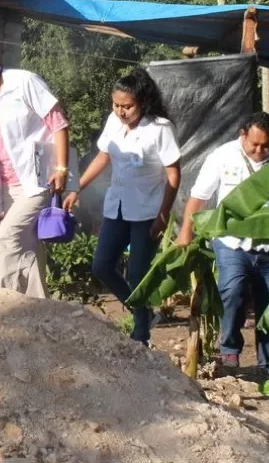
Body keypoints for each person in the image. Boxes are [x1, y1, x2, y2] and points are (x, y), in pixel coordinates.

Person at [176, 112, 269, 376]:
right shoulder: (221, 157)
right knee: (233, 289)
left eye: (266, 145)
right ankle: (229, 349)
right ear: (242, 135)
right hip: (231, 241)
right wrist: (186, 232)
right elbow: (199, 197)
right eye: (255, 144)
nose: (260, 150)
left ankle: (268, 365)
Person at [63, 70, 181, 343]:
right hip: (116, 206)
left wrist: (163, 216)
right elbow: (103, 156)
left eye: (127, 106)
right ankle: (143, 312)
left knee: (138, 273)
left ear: (143, 101)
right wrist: (77, 187)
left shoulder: (160, 128)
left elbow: (174, 175)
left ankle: (141, 331)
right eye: (116, 105)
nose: (121, 111)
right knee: (102, 266)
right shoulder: (113, 123)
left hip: (147, 211)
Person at [0, 37, 71, 298]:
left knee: (7, 238)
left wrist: (62, 168)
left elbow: (59, 123)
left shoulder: (24, 82)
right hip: (6, 187)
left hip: (38, 180)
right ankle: (40, 309)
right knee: (28, 248)